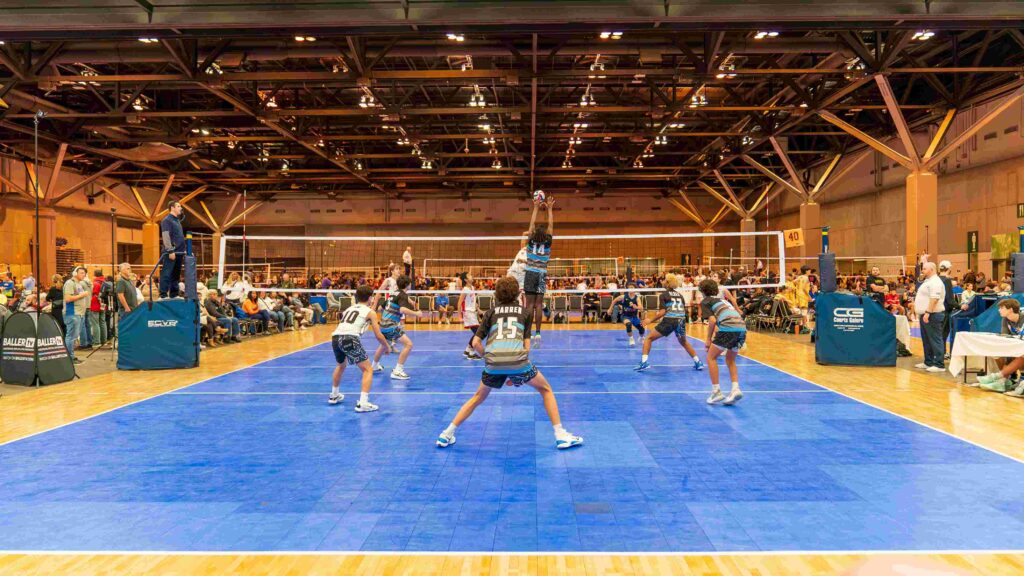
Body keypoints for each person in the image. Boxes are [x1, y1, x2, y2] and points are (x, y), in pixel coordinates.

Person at [435, 276, 583, 450]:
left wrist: (487, 358)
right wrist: (517, 373)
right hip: (518, 361)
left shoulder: (490, 313)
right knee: (546, 389)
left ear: (497, 294)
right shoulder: (525, 313)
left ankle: (446, 434)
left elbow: (475, 344)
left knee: (477, 398)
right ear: (518, 293)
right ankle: (560, 435)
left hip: (493, 362)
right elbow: (526, 347)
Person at [330, 285, 391, 411]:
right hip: (349, 338)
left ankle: (334, 395)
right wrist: (386, 346)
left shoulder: (349, 309)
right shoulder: (370, 312)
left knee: (340, 365)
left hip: (335, 337)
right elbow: (378, 335)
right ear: (370, 298)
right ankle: (363, 403)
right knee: (368, 369)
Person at [635, 273, 704, 372]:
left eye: (664, 280)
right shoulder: (680, 295)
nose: (662, 281)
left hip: (670, 320)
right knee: (684, 342)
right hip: (681, 320)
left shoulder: (664, 295)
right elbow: (682, 310)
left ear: (667, 283)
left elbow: (663, 312)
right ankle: (698, 362)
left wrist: (650, 320)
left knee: (648, 339)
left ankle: (644, 362)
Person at [699, 278, 746, 405]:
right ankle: (735, 389)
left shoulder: (705, 301)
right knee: (730, 360)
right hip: (742, 328)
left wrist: (708, 339)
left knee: (711, 358)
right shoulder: (723, 301)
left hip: (728, 328)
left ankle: (716, 392)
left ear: (702, 291)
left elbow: (713, 321)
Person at [371, 275, 421, 380]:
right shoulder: (402, 295)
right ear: (407, 285)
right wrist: (417, 313)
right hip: (391, 326)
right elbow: (403, 310)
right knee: (408, 344)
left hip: (383, 325)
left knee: (384, 346)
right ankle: (398, 370)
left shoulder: (393, 294)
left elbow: (380, 308)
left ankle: (374, 366)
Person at [523, 195, 554, 346]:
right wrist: (550, 209)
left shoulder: (530, 240)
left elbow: (531, 224)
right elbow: (551, 226)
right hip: (541, 274)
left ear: (534, 233)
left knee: (528, 305)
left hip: (530, 273)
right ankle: (538, 334)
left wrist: (535, 207)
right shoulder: (548, 242)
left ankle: (527, 333)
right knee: (538, 305)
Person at [914, 261, 947, 372]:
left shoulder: (936, 282)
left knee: (935, 339)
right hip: (925, 314)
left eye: (924, 269)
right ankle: (928, 362)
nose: (922, 271)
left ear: (931, 270)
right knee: (927, 340)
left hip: (932, 314)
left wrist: (928, 312)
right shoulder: (928, 281)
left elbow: (934, 298)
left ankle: (939, 364)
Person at [62, 267, 90, 365]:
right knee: (71, 337)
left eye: (84, 273)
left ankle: (71, 356)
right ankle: (70, 357)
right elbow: (68, 298)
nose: (83, 275)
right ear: (75, 273)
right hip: (72, 313)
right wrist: (83, 295)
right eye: (81, 273)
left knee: (73, 336)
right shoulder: (70, 283)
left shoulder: (79, 284)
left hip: (79, 313)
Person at [159, 201, 186, 299]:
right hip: (171, 252)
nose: (181, 208)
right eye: (178, 206)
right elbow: (166, 236)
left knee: (176, 274)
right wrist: (170, 250)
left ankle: (174, 294)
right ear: (172, 208)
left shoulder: (177, 220)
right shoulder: (167, 220)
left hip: (179, 252)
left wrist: (184, 250)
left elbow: (179, 237)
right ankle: (163, 294)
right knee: (166, 273)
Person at [458, 271, 481, 360]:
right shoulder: (465, 290)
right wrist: (459, 316)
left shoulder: (472, 287)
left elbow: (473, 301)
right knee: (478, 332)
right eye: (469, 275)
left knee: (477, 332)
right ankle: (471, 352)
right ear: (466, 280)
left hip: (473, 313)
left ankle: (468, 350)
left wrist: (478, 310)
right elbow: (459, 303)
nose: (472, 276)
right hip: (468, 313)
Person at [938, 260, 956, 360]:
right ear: (949, 269)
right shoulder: (947, 280)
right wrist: (959, 306)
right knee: (943, 333)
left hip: (936, 310)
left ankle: (938, 353)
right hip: (945, 310)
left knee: (938, 333)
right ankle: (942, 353)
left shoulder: (935, 279)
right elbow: (950, 300)